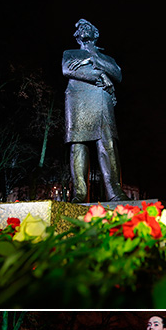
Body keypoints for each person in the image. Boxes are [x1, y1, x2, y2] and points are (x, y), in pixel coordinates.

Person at [62, 18, 125, 202]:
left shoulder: (106, 58)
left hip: (101, 98)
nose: (82, 29)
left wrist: (92, 58)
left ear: (95, 33)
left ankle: (115, 192)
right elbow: (68, 70)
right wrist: (100, 75)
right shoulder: (70, 53)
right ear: (76, 35)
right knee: (78, 143)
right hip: (77, 98)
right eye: (79, 27)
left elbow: (118, 74)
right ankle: (79, 193)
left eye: (86, 26)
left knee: (108, 143)